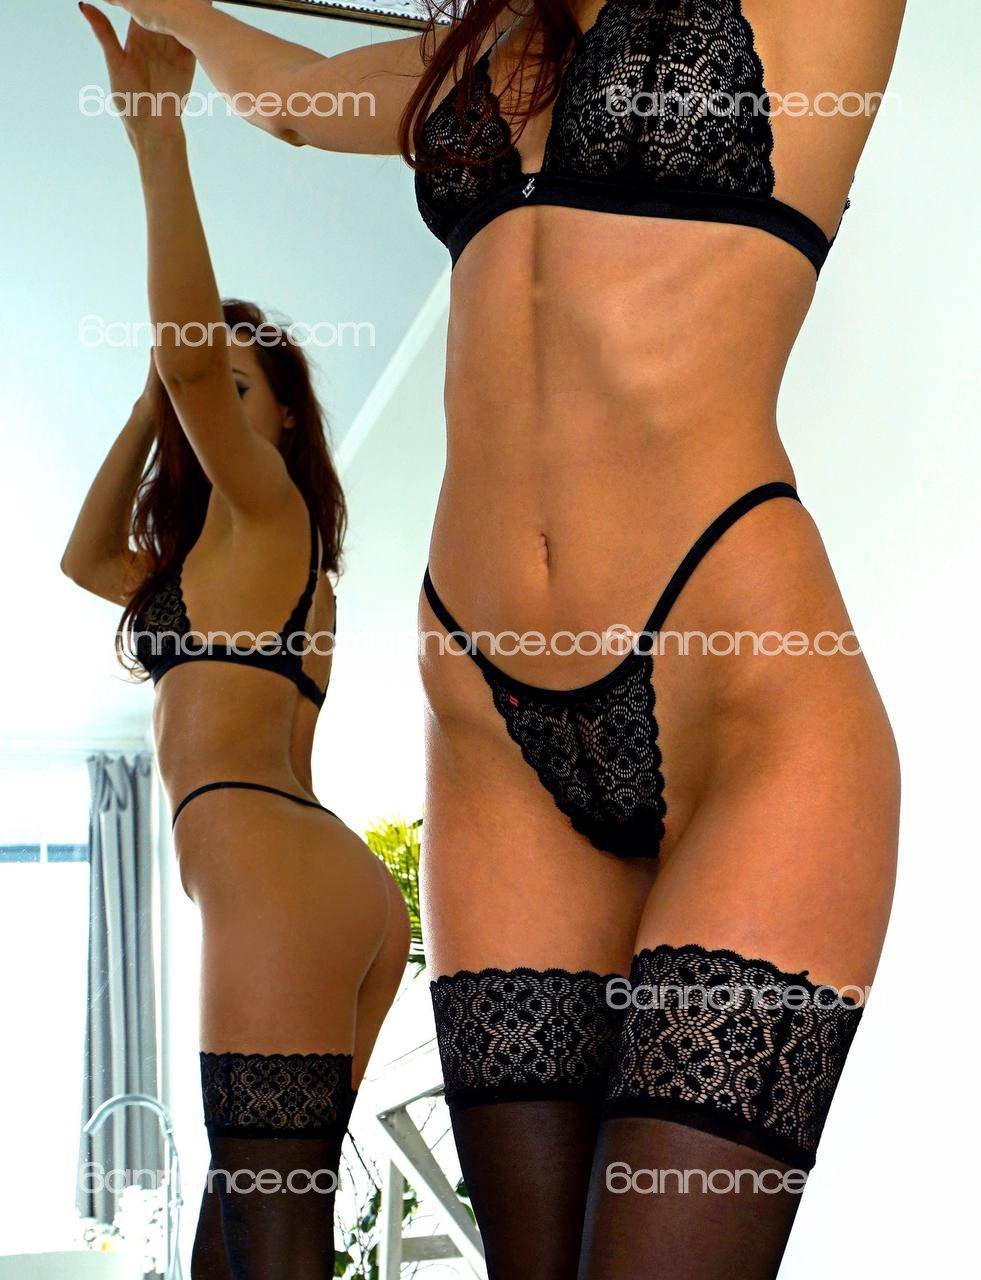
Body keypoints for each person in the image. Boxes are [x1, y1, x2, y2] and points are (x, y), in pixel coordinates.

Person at [92, 0, 906, 1274]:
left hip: (741, 683)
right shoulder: (477, 54)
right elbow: (292, 98)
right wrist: (173, 29)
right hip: (491, 730)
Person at [64, 11, 409, 1276]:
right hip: (312, 884)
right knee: (239, 1245)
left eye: (237, 382)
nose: (206, 386)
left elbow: (196, 365)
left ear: (285, 421)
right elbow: (83, 559)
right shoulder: (214, 562)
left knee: (269, 1245)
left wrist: (158, 138)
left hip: (277, 874)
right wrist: (151, 399)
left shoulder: (272, 511)